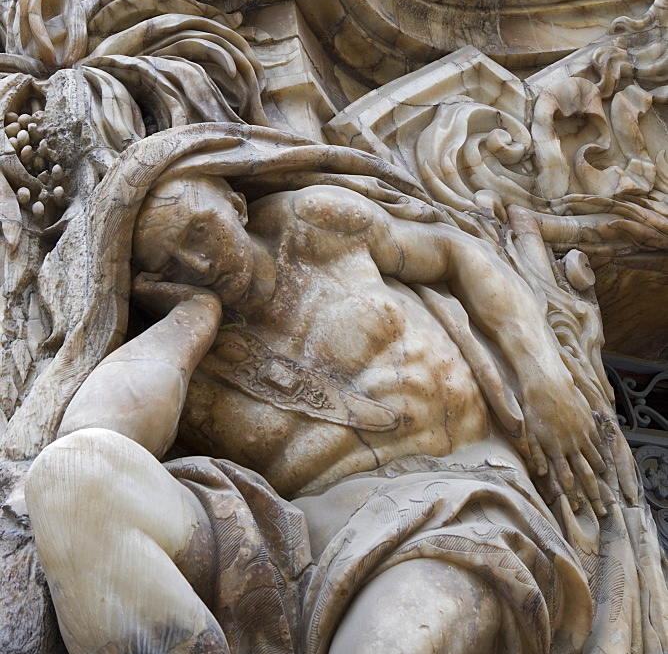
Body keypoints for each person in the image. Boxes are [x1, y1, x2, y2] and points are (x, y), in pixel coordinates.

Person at [24, 169, 614, 654]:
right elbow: (90, 438)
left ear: (238, 204)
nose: (198, 264)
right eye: (172, 263)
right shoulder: (190, 362)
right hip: (299, 542)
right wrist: (188, 321)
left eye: (201, 232)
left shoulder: (319, 224)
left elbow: (459, 253)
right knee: (70, 478)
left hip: (452, 503)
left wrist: (543, 376)